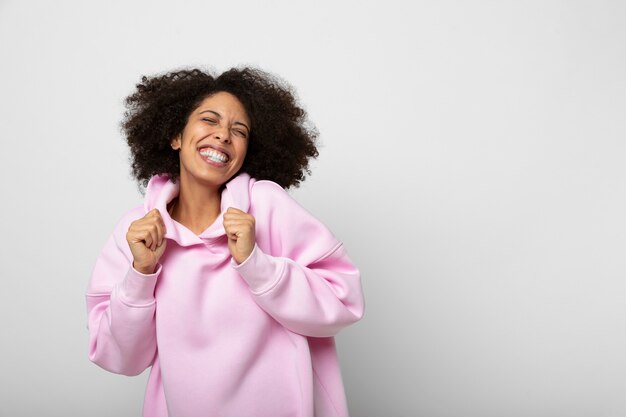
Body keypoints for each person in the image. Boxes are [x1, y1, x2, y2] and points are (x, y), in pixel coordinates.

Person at [85, 67, 365, 417]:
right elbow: (119, 358)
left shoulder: (266, 206)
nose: (223, 136)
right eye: (209, 120)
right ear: (175, 135)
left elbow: (345, 300)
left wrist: (255, 263)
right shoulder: (137, 231)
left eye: (239, 130)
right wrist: (141, 273)